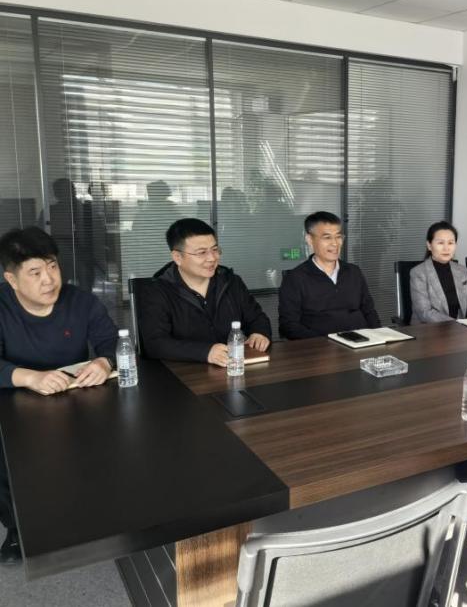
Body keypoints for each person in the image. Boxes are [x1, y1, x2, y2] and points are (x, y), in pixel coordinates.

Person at [0, 226, 118, 564]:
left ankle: (97, 511)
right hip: (13, 400)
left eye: (52, 266)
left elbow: (112, 341)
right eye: (35, 272)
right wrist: (29, 377)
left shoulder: (80, 301)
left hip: (74, 393)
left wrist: (103, 361)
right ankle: (17, 527)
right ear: (12, 279)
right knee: (5, 457)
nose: (49, 279)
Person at [137, 218, 271, 365]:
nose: (212, 258)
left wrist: (259, 333)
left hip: (233, 367)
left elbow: (257, 318)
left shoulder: (231, 282)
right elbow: (155, 344)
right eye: (201, 253)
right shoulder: (157, 291)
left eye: (215, 250)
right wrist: (205, 352)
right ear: (177, 257)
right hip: (182, 374)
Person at [278, 211, 380, 339]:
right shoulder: (295, 279)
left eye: (338, 236)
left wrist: (378, 337)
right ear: (309, 240)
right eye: (327, 237)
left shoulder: (354, 272)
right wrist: (324, 344)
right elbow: (288, 325)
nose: (335, 243)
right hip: (321, 347)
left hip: (362, 342)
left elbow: (369, 312)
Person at [409, 221, 467, 324]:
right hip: (429, 329)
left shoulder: (463, 271)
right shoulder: (418, 273)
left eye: (450, 243)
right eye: (440, 243)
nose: (446, 248)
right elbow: (425, 313)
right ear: (429, 245)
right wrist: (458, 324)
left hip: (460, 329)